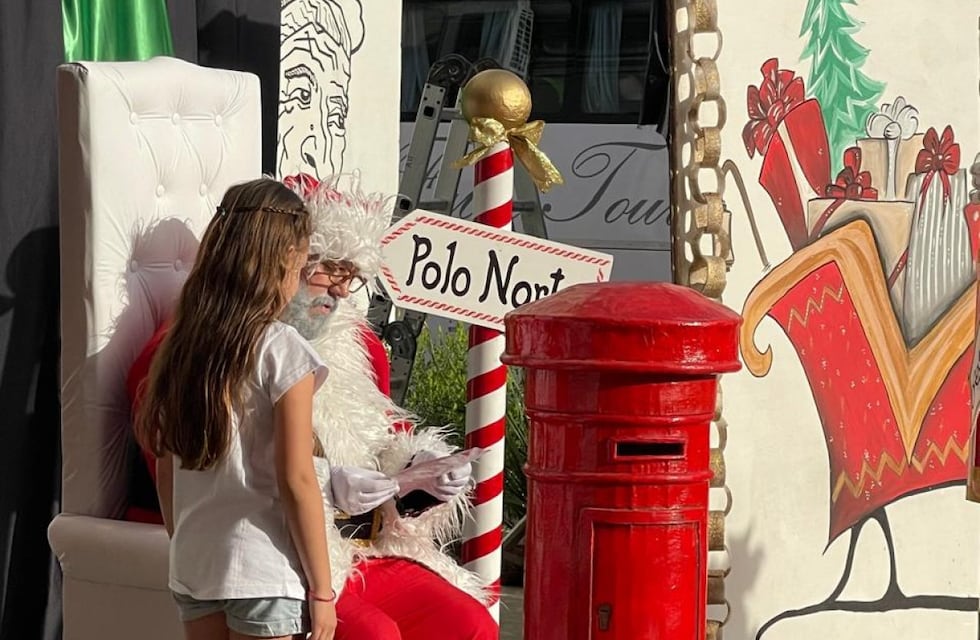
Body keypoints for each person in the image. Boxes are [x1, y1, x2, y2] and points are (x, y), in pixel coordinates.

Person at [278, 173, 497, 639]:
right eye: (332, 269)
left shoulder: (352, 345)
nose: (341, 290)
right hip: (293, 553)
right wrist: (328, 486)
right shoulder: (224, 349)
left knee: (469, 621)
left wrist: (424, 475)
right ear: (290, 261)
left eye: (351, 277)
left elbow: (382, 446)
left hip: (367, 547)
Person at [133, 178, 336, 640]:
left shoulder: (180, 349)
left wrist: (184, 538)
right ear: (283, 262)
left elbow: (166, 471)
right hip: (263, 567)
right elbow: (297, 478)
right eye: (301, 267)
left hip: (195, 564)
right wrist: (323, 591)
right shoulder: (283, 350)